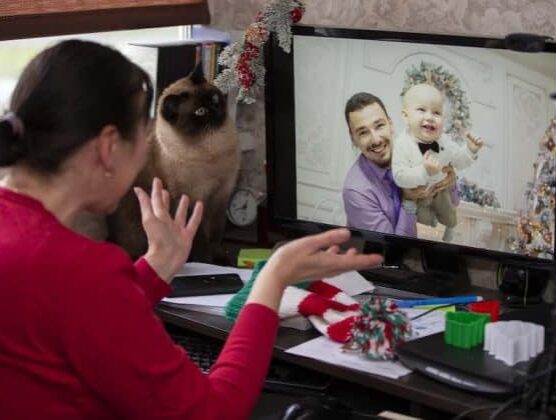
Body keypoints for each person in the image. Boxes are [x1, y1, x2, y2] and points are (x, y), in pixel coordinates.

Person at [0, 40, 383, 419]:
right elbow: (212, 413)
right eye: (144, 136)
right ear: (107, 147)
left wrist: (153, 270)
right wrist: (273, 280)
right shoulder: (79, 269)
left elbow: (69, 316)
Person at [342, 92, 457, 237]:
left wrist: (450, 181)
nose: (376, 139)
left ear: (390, 124)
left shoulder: (411, 150)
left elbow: (453, 202)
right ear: (353, 138)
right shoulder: (356, 191)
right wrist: (409, 200)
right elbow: (392, 250)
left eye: (379, 126)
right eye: (363, 132)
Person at [391, 83, 484, 241]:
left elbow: (459, 161)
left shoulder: (444, 141)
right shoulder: (402, 143)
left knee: (450, 216)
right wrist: (424, 172)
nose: (430, 117)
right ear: (405, 116)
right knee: (423, 221)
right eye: (421, 110)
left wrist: (470, 150)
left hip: (440, 189)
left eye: (436, 112)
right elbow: (399, 176)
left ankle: (448, 235)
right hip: (417, 193)